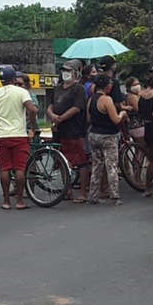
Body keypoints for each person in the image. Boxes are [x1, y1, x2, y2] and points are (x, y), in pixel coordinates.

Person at [0, 67, 37, 210]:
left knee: (4, 168)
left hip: (2, 136)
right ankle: (19, 201)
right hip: (19, 135)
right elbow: (33, 109)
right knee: (20, 168)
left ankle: (6, 201)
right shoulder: (22, 92)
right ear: (14, 79)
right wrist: (32, 128)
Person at [49, 59, 90, 203]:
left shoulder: (78, 89)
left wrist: (61, 118)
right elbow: (50, 105)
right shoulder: (58, 88)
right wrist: (53, 116)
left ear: (76, 73)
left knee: (80, 161)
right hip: (60, 131)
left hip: (75, 130)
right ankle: (67, 190)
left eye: (69, 70)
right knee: (62, 161)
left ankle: (83, 192)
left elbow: (77, 108)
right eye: (64, 70)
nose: (65, 73)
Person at [87, 74, 127, 205]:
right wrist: (122, 113)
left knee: (96, 166)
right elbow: (115, 119)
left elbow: (88, 119)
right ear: (106, 86)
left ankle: (93, 195)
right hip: (108, 136)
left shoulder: (91, 99)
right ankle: (115, 196)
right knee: (111, 166)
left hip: (93, 134)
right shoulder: (107, 100)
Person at [124, 76, 145, 141]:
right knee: (142, 147)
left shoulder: (135, 95)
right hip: (137, 126)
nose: (137, 86)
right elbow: (139, 109)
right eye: (134, 85)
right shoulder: (132, 97)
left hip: (136, 126)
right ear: (129, 87)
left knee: (139, 148)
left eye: (138, 84)